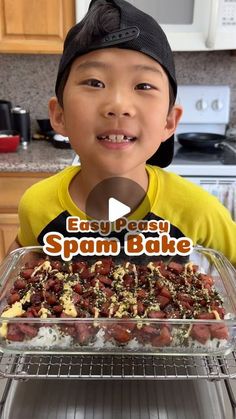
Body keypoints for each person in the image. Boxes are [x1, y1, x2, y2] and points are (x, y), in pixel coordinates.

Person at [9, 0, 236, 266]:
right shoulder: (37, 205)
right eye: (95, 82)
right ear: (59, 116)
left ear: (169, 123)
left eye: (143, 85)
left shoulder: (195, 209)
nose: (118, 105)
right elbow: (20, 261)